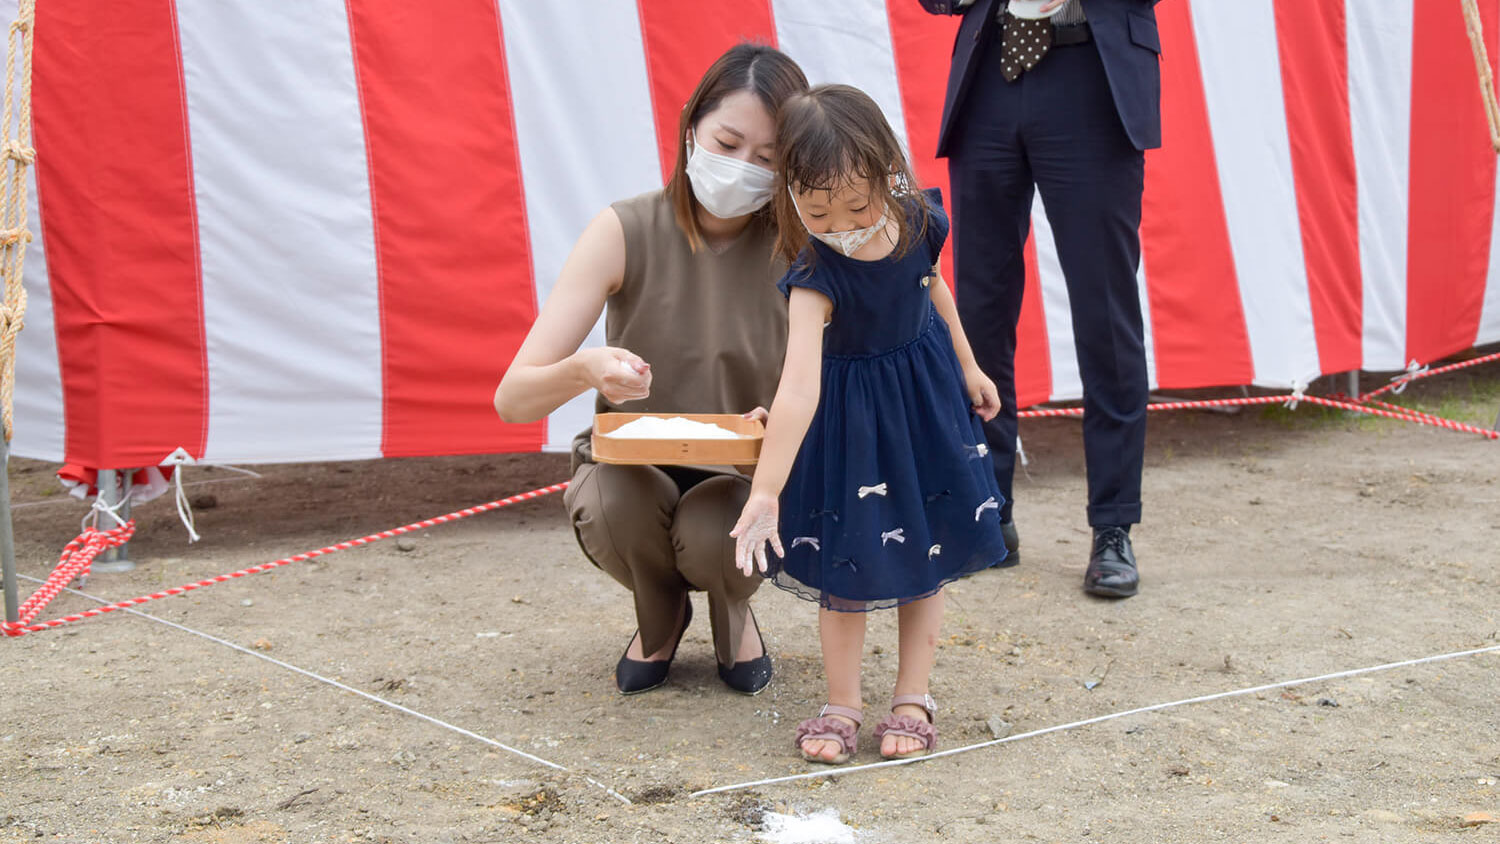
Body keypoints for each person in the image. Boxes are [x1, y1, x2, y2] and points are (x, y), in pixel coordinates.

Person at [494, 44, 809, 696]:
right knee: (613, 501)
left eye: (768, 159)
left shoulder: (799, 248)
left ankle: (733, 610)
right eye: (726, 141)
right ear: (691, 125)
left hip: (744, 480)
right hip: (631, 470)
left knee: (715, 529)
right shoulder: (623, 229)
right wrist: (584, 368)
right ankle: (659, 610)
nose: (741, 168)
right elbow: (514, 399)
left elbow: (843, 380)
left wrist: (790, 420)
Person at [731, 85, 1009, 763]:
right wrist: (765, 490)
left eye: (858, 204)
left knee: (928, 555)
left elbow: (933, 287)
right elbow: (798, 387)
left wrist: (970, 365)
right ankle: (842, 702)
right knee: (844, 563)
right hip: (850, 429)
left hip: (923, 409)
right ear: (791, 196)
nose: (841, 223)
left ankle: (912, 696)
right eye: (817, 210)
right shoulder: (813, 276)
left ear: (890, 170)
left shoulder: (919, 221)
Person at [917, 0, 1161, 597]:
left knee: (1105, 312)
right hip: (990, 71)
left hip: (1093, 74)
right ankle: (988, 510)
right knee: (979, 309)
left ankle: (1112, 526)